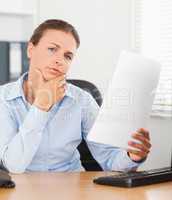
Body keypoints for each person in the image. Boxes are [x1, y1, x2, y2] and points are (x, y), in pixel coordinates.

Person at [0, 19, 151, 173]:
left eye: (68, 56)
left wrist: (132, 156)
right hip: (23, 190)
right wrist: (41, 106)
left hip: (73, 186)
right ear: (31, 49)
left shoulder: (82, 100)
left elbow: (110, 159)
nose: (59, 60)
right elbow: (14, 165)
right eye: (52, 49)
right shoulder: (3, 99)